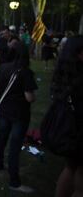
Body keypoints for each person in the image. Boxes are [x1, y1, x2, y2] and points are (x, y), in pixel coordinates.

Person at [0, 39, 38, 193]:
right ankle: (14, 181)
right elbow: (29, 97)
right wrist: (33, 96)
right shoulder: (25, 72)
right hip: (19, 113)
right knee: (14, 145)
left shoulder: (4, 67)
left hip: (5, 110)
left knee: (2, 136)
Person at [52, 35, 83, 197]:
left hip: (66, 128)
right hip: (76, 129)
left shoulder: (62, 73)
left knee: (70, 167)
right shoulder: (78, 79)